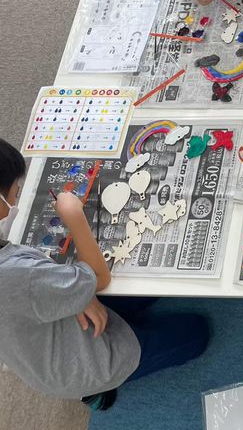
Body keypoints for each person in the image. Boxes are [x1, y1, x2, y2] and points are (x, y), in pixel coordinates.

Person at [0, 139, 209, 410]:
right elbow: (99, 278)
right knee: (196, 333)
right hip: (84, 365)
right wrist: (74, 216)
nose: (16, 199)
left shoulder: (18, 276)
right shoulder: (17, 276)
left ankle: (87, 303)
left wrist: (77, 296)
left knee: (154, 285)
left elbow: (28, 289)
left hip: (48, 320)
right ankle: (95, 390)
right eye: (15, 193)